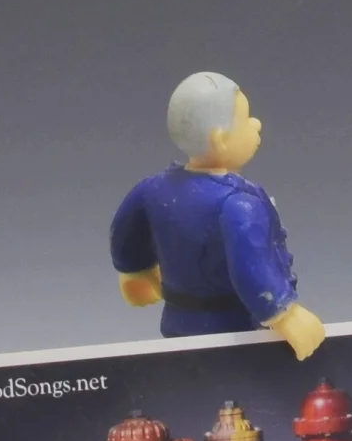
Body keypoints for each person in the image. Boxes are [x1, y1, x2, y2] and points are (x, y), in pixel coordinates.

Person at [110, 72, 326, 358]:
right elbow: (250, 269)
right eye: (246, 119)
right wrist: (284, 312)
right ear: (221, 140)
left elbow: (124, 232)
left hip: (176, 321)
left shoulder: (152, 188)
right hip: (233, 330)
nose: (256, 123)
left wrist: (135, 271)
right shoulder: (239, 205)